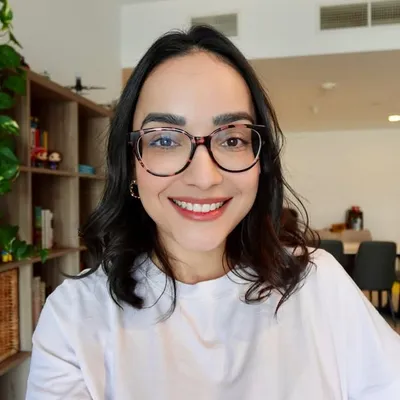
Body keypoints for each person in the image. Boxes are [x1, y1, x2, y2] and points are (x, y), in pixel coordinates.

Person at [26, 26, 400, 400]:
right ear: (131, 166)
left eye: (232, 139)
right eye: (165, 140)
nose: (204, 178)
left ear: (261, 161)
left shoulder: (318, 285)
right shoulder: (74, 317)